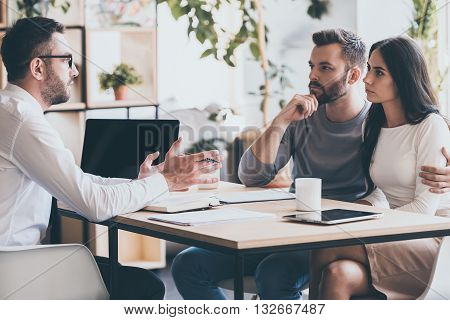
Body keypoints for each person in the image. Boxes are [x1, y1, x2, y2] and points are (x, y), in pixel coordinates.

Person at [171, 29, 450, 300]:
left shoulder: (373, 122)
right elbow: (251, 176)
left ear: (352, 75)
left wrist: (362, 215)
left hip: (349, 232)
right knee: (188, 263)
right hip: (293, 226)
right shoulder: (324, 118)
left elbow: (409, 176)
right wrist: (280, 121)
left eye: (325, 68)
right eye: (312, 66)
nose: (312, 75)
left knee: (277, 272)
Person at [0, 17, 222, 299]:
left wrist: (146, 183)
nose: (75, 71)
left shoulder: (10, 112)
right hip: (16, 274)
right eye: (67, 60)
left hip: (15, 265)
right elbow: (94, 205)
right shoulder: (23, 121)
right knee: (145, 287)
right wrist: (167, 180)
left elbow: (77, 184)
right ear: (38, 67)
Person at [309, 36, 450, 300]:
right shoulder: (372, 125)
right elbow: (382, 192)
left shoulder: (430, 126)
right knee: (338, 274)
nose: (367, 79)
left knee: (325, 247)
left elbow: (424, 209)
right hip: (392, 234)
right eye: (369, 69)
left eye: (379, 72)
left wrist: (367, 224)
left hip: (432, 240)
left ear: (404, 77)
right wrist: (357, 209)